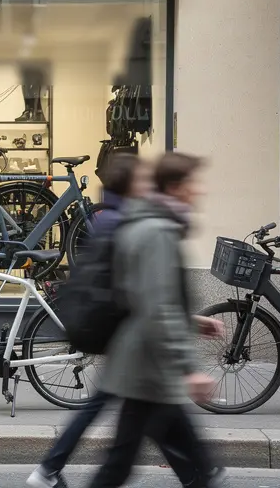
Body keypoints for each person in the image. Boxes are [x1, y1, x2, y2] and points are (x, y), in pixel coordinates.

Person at [88, 152, 226, 488]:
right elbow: (156, 305)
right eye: (194, 183)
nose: (200, 190)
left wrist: (191, 321)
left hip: (144, 365)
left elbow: (149, 297)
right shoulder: (157, 231)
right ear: (176, 187)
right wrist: (188, 367)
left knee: (125, 464)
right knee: (194, 467)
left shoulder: (150, 225)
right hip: (149, 367)